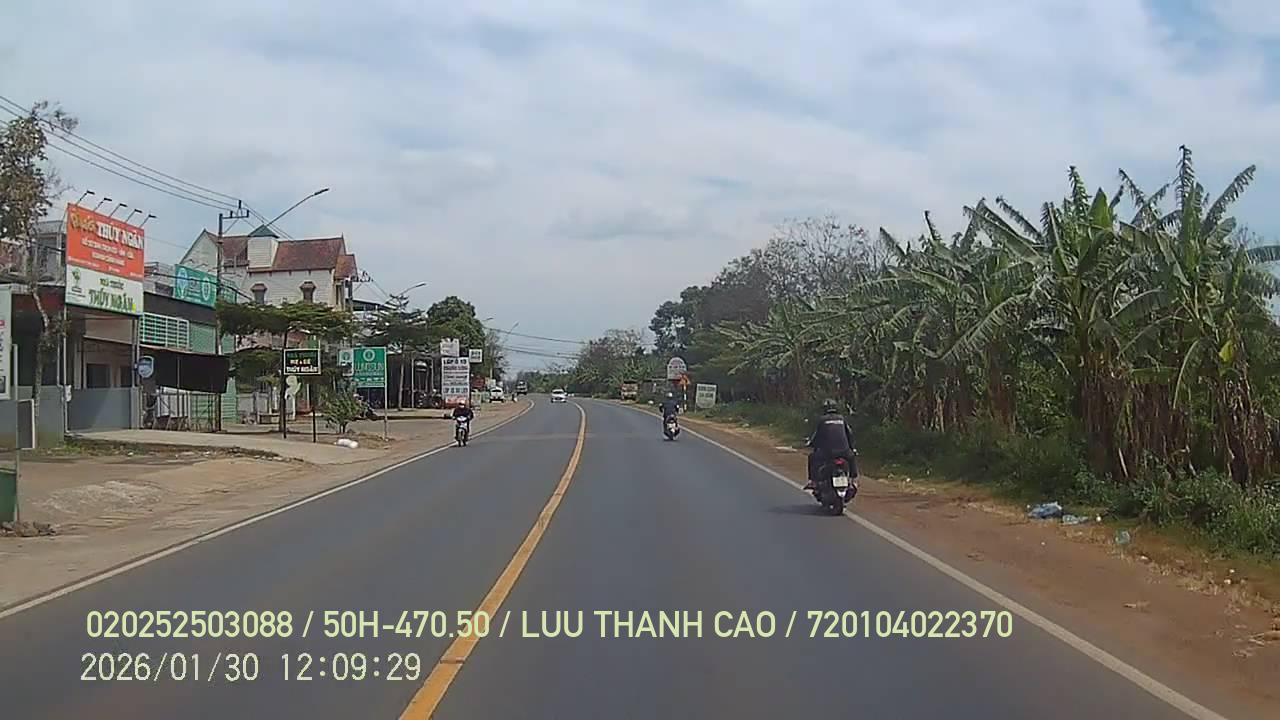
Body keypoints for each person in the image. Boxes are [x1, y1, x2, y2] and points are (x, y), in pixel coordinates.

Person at [805, 398, 856, 491]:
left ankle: (813, 481)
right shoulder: (842, 419)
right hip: (844, 451)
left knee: (812, 457)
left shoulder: (822, 420)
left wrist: (811, 444)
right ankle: (853, 481)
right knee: (852, 457)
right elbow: (850, 434)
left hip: (828, 452)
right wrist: (852, 448)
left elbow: (817, 436)